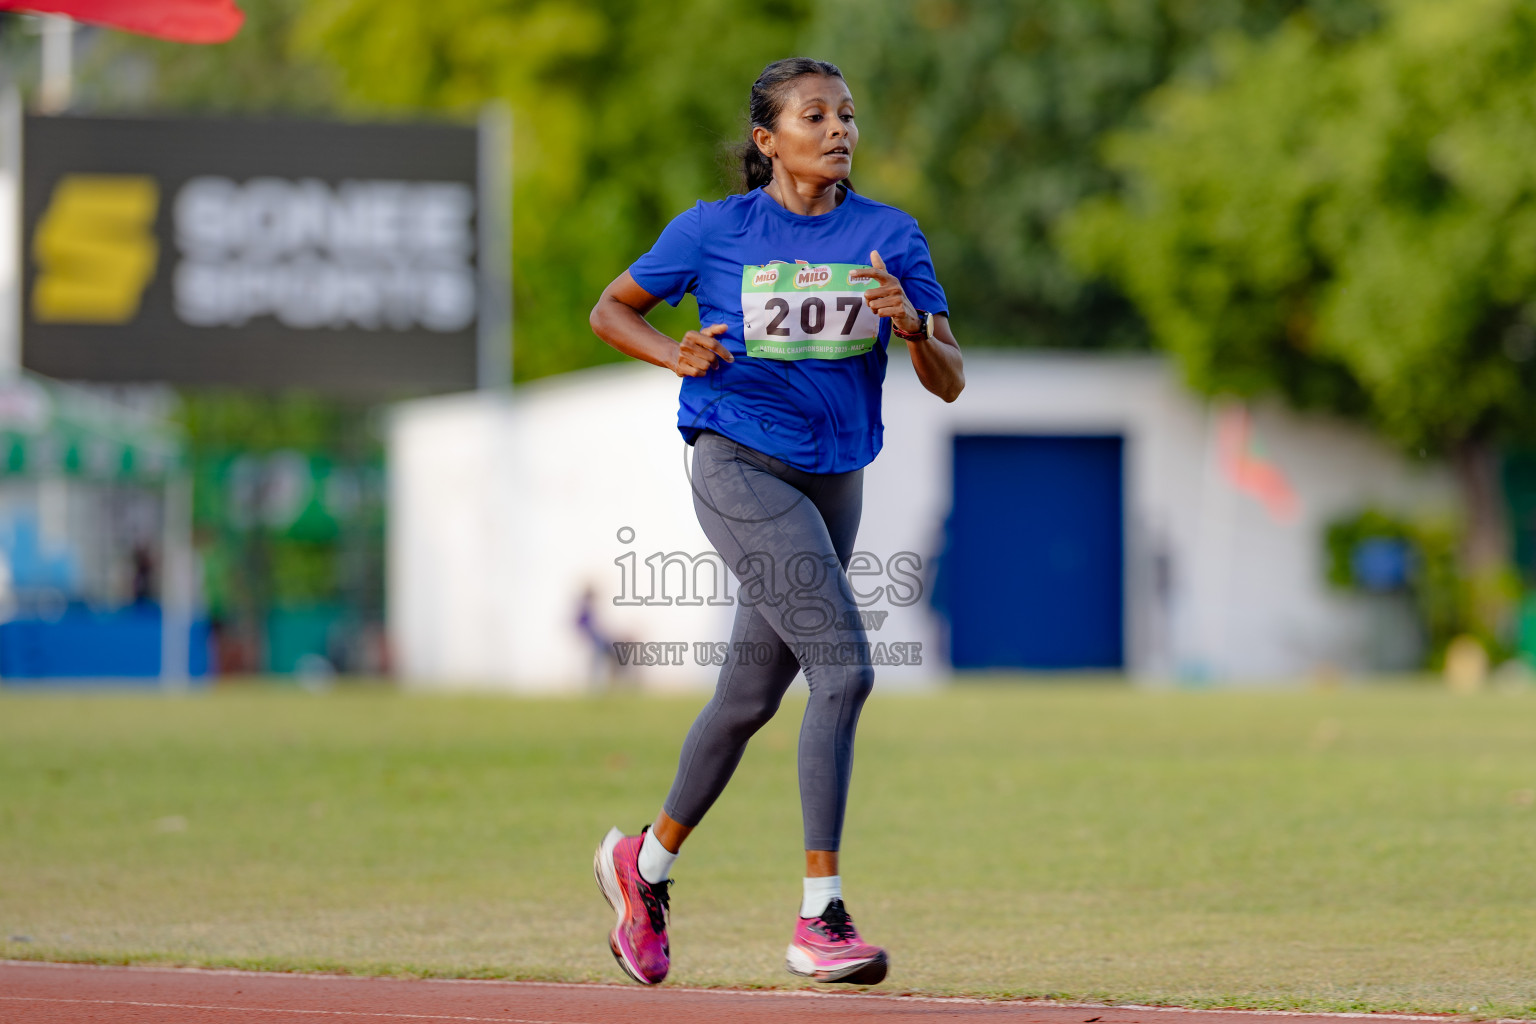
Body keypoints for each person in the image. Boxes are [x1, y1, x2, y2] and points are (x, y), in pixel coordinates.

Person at [587, 57, 964, 988]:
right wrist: (671, 354)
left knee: (750, 698)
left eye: (847, 116)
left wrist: (914, 327)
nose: (838, 130)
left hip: (837, 480)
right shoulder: (713, 232)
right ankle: (820, 917)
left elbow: (951, 377)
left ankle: (646, 864)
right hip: (739, 463)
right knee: (844, 668)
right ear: (768, 141)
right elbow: (610, 310)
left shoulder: (889, 234)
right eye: (814, 116)